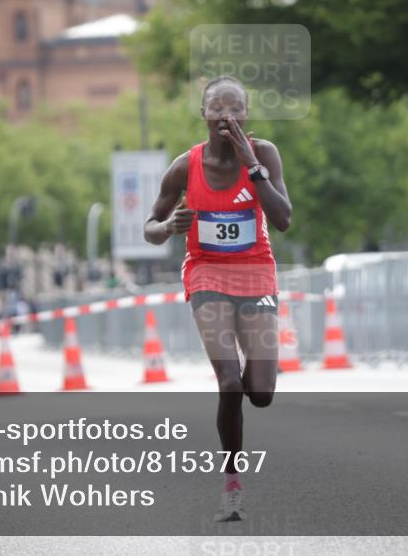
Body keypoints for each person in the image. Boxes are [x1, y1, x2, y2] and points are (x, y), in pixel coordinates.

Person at [144, 75, 292, 522]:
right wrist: (169, 228)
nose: (227, 116)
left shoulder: (263, 153)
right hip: (206, 273)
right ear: (204, 114)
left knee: (261, 393)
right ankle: (232, 485)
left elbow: (282, 219)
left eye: (236, 109)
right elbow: (151, 225)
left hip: (256, 274)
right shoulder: (184, 167)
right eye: (218, 108)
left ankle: (254, 362)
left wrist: (251, 162)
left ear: (246, 114)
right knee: (230, 383)